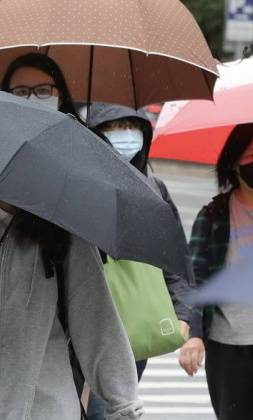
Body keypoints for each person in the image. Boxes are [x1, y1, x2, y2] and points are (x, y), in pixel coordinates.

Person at [0, 54, 143, 420]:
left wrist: (124, 409)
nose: (32, 99)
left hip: (44, 408)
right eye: (19, 91)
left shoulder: (64, 228)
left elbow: (97, 328)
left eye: (43, 90)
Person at [83, 102, 198, 420]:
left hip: (135, 322)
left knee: (112, 408)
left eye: (130, 128)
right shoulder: (80, 185)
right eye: (112, 129)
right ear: (95, 135)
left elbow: (174, 256)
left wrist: (184, 313)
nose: (124, 137)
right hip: (87, 321)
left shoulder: (153, 188)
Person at [181, 122, 253, 419]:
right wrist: (194, 334)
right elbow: (195, 278)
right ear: (234, 163)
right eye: (251, 154)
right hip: (228, 348)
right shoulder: (213, 215)